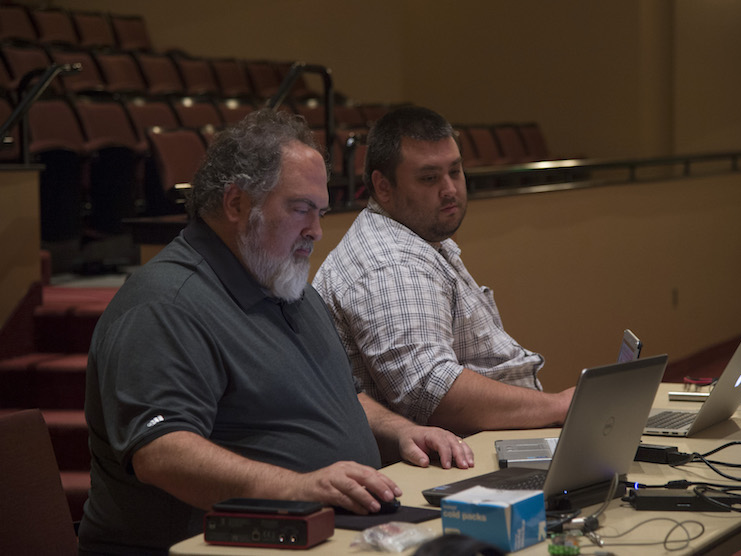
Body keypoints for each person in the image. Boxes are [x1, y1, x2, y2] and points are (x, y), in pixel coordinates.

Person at [78, 109, 473, 555]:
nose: (317, 231)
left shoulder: (286, 284)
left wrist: (399, 431)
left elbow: (338, 398)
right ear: (235, 204)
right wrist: (299, 488)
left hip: (327, 533)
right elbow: (162, 453)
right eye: (300, 209)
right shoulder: (165, 305)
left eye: (320, 212)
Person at [313, 106, 575, 436]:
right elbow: (431, 392)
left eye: (455, 171)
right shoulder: (392, 265)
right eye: (429, 178)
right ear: (383, 187)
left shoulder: (418, 237)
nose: (449, 189)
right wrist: (558, 407)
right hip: (442, 464)